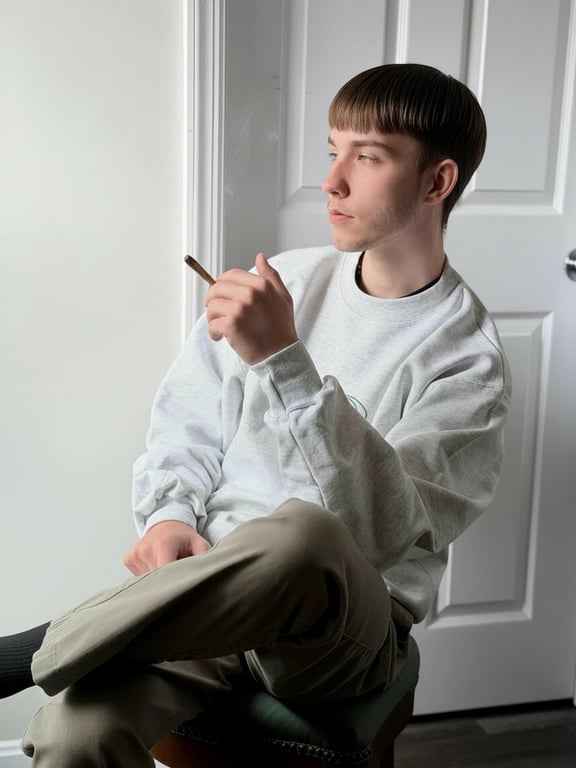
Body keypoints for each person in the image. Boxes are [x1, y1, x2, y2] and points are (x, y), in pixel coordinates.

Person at [0, 63, 511, 767]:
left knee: (306, 531)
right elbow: (187, 421)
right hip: (213, 599)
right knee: (71, 734)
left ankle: (34, 651)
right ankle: (92, 639)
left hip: (340, 636)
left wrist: (284, 360)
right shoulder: (288, 282)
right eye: (333, 151)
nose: (332, 181)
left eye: (366, 157)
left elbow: (383, 533)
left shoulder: (467, 359)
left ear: (436, 182)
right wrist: (171, 517)